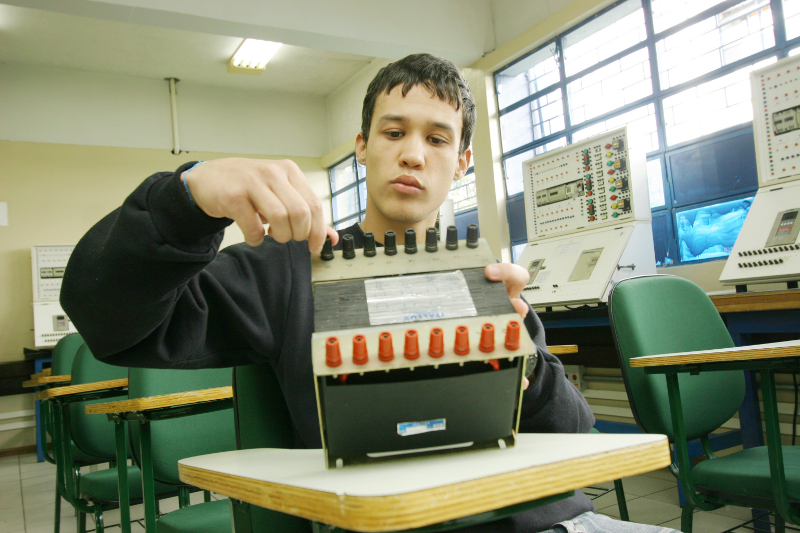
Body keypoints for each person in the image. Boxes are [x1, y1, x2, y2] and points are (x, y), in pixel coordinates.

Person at [61, 54, 679, 533]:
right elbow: (109, 320)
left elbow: (574, 434)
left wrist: (527, 364)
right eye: (393, 132)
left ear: (462, 161)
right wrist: (187, 197)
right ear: (362, 146)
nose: (412, 154)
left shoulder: (484, 274)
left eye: (437, 139)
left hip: (550, 522)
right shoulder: (286, 269)